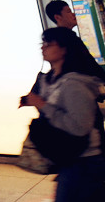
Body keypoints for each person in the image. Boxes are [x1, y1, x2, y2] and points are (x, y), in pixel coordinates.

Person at [19, 27, 105, 201]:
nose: (43, 48)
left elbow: (79, 127)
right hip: (69, 156)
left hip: (85, 160)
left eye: (49, 44)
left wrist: (42, 105)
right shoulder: (48, 79)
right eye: (42, 43)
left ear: (64, 49)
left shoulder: (75, 85)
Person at [44, 0, 105, 89]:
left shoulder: (68, 38)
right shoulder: (67, 40)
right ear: (57, 17)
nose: (73, 14)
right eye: (68, 11)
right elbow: (87, 64)